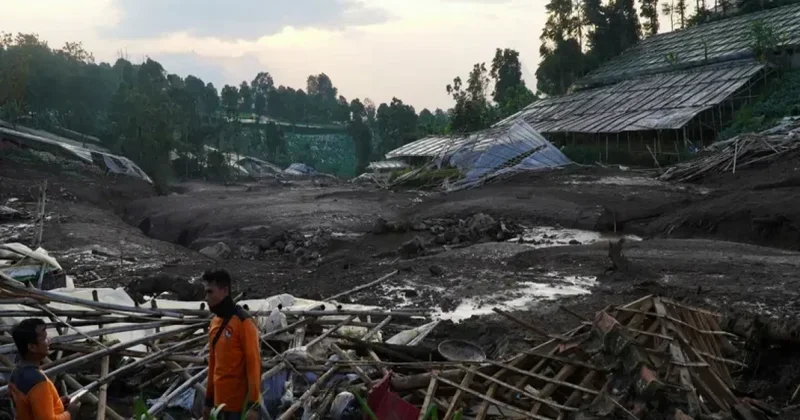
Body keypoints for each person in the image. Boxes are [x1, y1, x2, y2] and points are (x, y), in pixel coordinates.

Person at [203, 269, 262, 420]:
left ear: (224, 291)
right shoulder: (215, 322)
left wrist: (253, 405)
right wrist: (208, 400)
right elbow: (213, 363)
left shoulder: (243, 322)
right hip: (218, 406)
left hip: (238, 408)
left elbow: (253, 364)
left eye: (210, 292)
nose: (206, 298)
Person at [9, 318, 81, 420]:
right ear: (32, 347)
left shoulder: (16, 373)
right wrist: (69, 413)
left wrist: (56, 402)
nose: (49, 341)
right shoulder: (39, 382)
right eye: (44, 339)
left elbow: (30, 407)